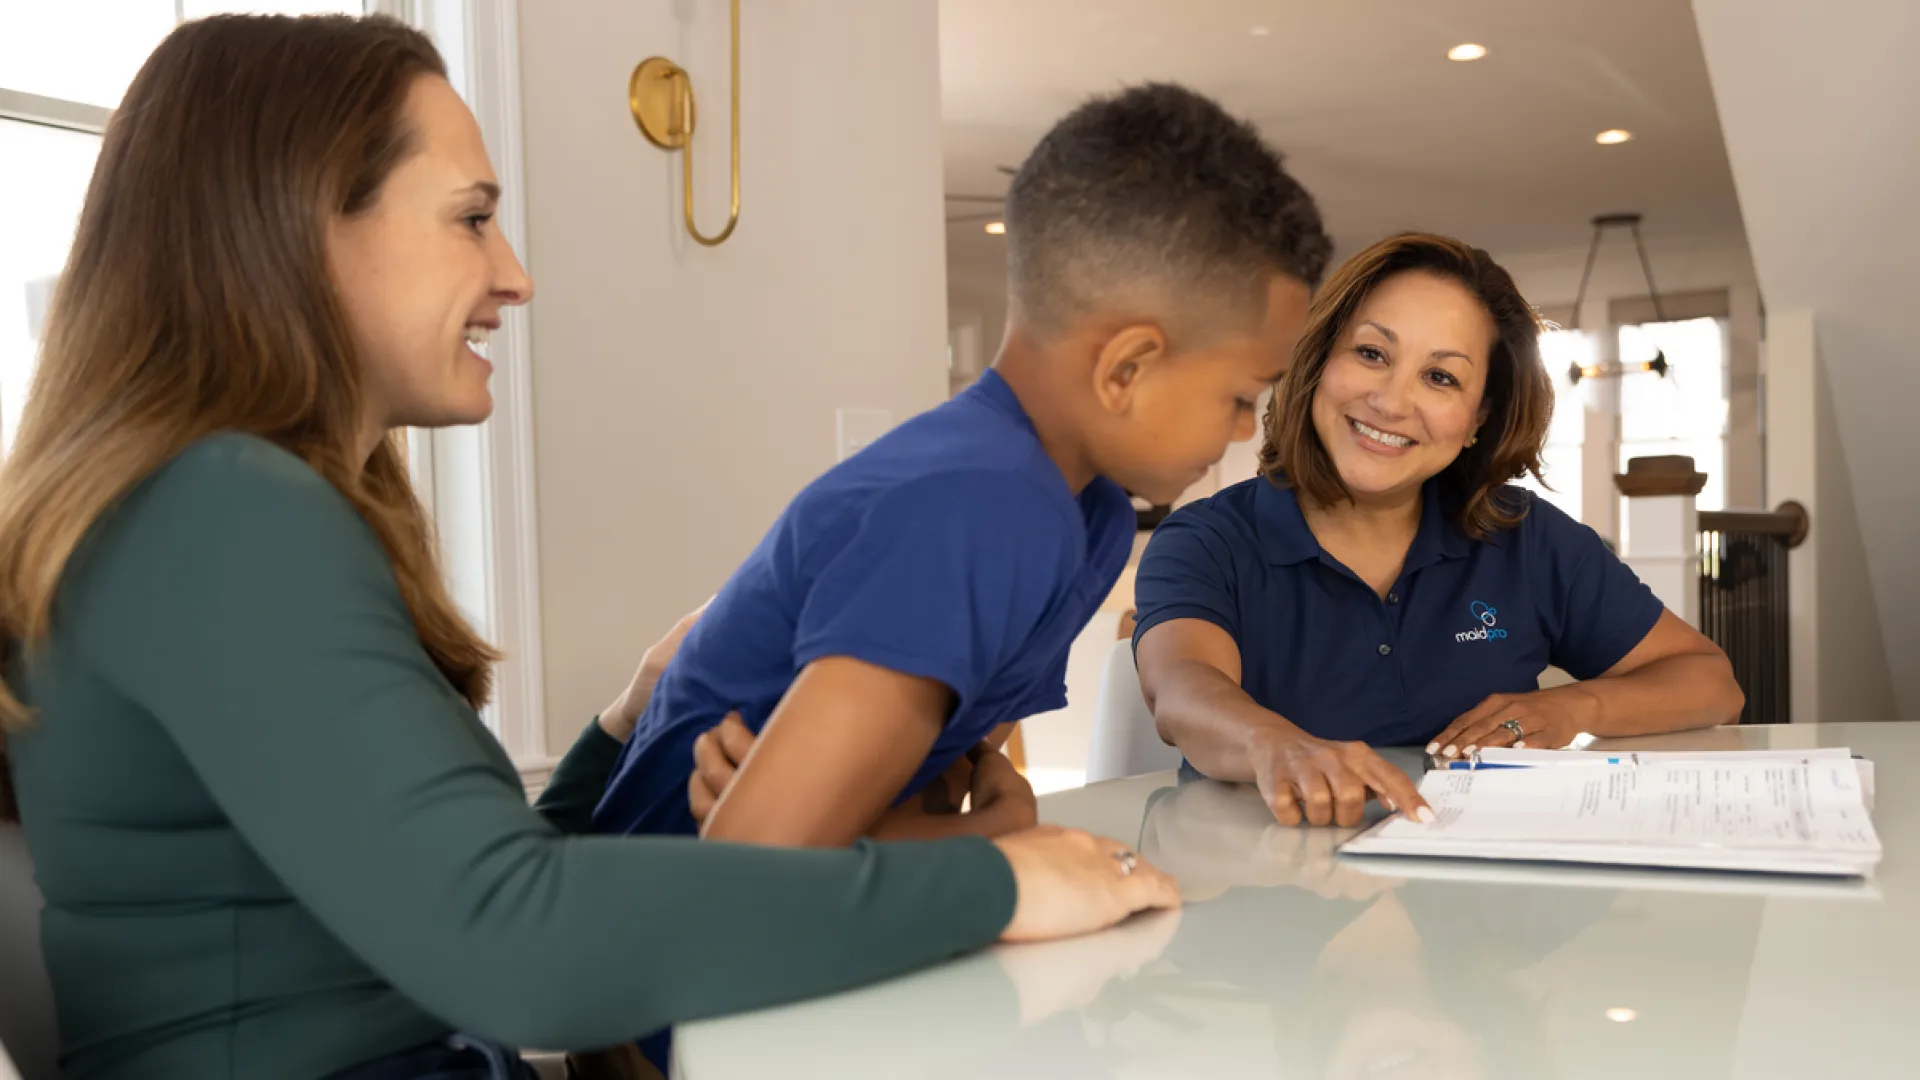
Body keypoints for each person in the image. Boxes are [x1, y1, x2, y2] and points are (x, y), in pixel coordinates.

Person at [0, 15, 1179, 1080]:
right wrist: (997, 883)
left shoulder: (225, 509)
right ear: (299, 222)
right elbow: (513, 950)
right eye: (470, 218)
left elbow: (455, 895)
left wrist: (619, 727)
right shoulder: (219, 511)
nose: (513, 274)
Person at [592, 82, 1333, 850]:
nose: (1248, 426)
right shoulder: (979, 504)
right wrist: (994, 838)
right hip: (654, 939)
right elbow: (753, 864)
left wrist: (947, 820)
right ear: (1125, 370)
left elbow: (935, 771)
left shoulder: (1092, 515)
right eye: (1241, 396)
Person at [1133, 233, 1744, 828]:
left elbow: (1710, 682)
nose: (1392, 403)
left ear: (1479, 417)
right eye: (1372, 354)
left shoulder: (1526, 536)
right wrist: (1277, 745)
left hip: (1483, 904)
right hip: (1260, 887)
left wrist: (1572, 706)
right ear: (1318, 363)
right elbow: (1182, 689)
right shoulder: (1207, 539)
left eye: (1441, 377)